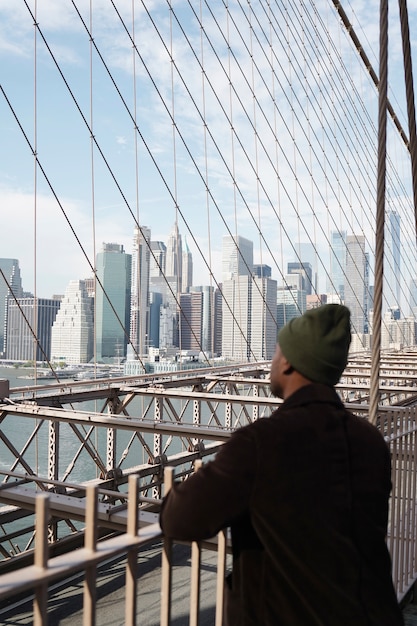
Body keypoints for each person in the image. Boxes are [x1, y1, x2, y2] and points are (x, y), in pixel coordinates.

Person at [160, 304, 403, 625]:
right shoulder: (371, 443)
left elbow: (180, 520)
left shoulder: (261, 442)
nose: (271, 361)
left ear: (288, 361)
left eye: (276, 350)